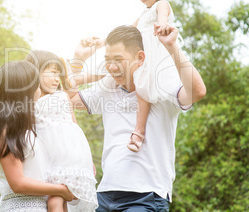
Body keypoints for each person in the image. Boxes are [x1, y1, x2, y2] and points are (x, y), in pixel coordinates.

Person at [64, 24, 206, 211]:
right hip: (105, 194)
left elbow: (197, 92)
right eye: (107, 60)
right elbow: (69, 99)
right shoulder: (107, 88)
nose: (112, 67)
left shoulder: (160, 86)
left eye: (118, 60)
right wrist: (78, 60)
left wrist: (172, 46)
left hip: (146, 196)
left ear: (140, 57)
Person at [0, 61, 76, 212]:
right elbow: (17, 183)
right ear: (24, 91)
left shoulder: (27, 127)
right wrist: (61, 190)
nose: (40, 90)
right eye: (37, 86)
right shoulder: (5, 130)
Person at [25, 50, 98, 212]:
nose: (57, 79)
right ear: (35, 73)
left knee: (56, 198)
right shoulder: (30, 102)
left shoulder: (62, 96)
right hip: (54, 156)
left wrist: (88, 159)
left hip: (67, 155)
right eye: (52, 73)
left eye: (59, 74)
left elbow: (75, 125)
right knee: (59, 198)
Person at [127, 0, 182, 152]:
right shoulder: (144, 13)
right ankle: (138, 130)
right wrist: (104, 41)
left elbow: (163, 16)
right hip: (143, 56)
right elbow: (128, 31)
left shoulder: (161, 4)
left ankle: (138, 132)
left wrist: (162, 25)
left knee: (143, 90)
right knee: (140, 89)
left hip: (154, 57)